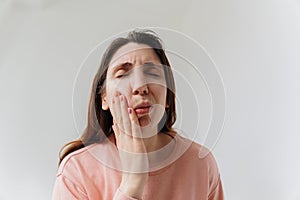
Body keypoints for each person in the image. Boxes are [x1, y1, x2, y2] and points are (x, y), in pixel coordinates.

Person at [52, 29, 224, 200]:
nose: (141, 86)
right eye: (122, 74)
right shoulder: (76, 171)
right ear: (104, 98)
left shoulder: (201, 163)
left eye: (152, 73)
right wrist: (132, 183)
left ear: (167, 97)